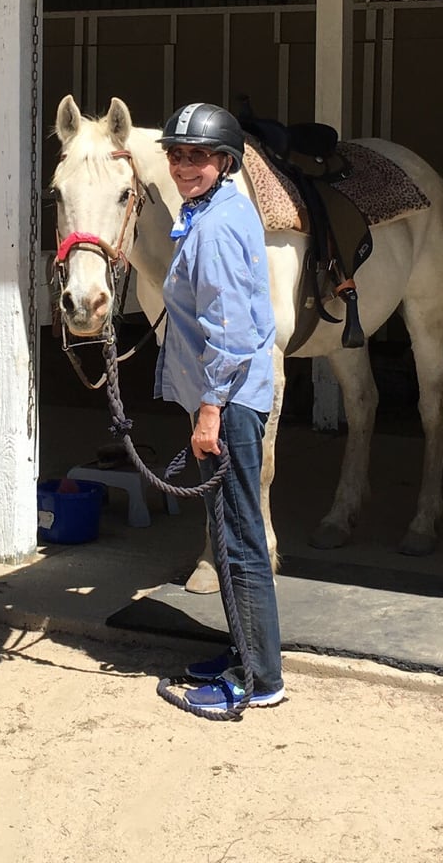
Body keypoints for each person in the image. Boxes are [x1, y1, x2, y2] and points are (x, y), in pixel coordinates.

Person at [154, 102, 284, 711]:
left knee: (239, 540)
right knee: (229, 531)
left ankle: (261, 681)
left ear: (224, 161)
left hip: (227, 401)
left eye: (199, 156)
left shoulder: (213, 228)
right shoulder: (214, 210)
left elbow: (230, 332)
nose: (185, 166)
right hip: (226, 396)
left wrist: (208, 411)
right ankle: (244, 653)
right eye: (177, 155)